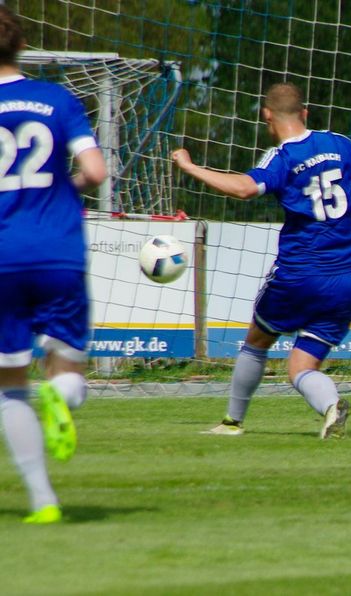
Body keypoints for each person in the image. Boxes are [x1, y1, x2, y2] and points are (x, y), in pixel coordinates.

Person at [171, 82, 351, 439]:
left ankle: (232, 422)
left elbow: (245, 188)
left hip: (298, 276)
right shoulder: (339, 143)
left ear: (267, 116)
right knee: (301, 367)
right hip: (344, 282)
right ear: (305, 113)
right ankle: (331, 405)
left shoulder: (282, 157)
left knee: (257, 341)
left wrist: (190, 167)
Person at [0, 6, 108, 524]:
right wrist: (67, 185)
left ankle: (43, 501)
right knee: (67, 367)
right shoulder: (57, 99)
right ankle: (61, 394)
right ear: (22, 45)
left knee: (9, 385)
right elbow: (95, 171)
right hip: (58, 249)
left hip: (2, 257)